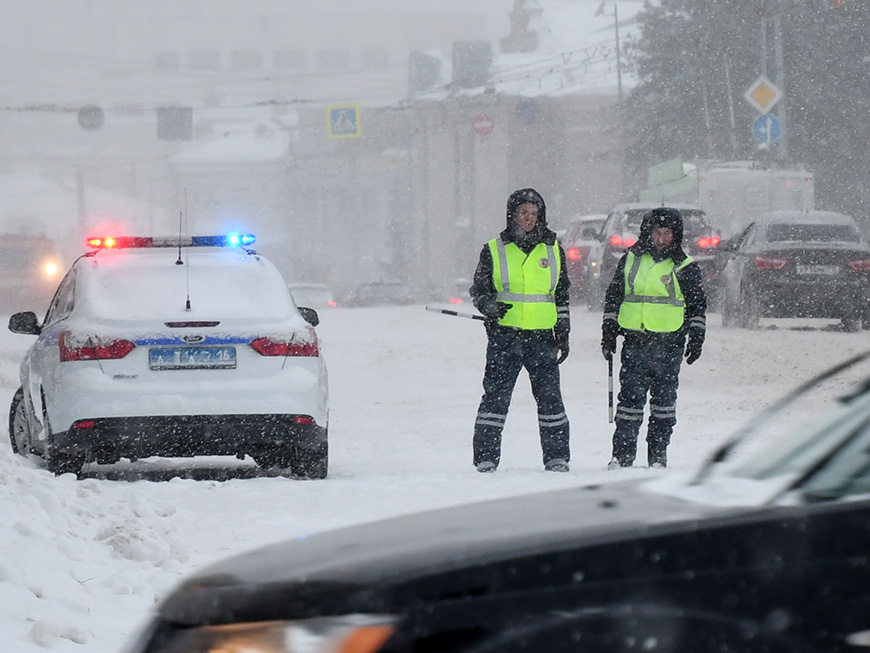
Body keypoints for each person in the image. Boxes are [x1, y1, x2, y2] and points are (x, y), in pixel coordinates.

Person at [470, 188, 571, 473]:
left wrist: (563, 330)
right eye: (523, 213)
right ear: (512, 214)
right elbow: (479, 290)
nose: (528, 219)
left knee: (551, 399)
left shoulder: (553, 249)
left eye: (534, 214)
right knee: (495, 398)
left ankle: (557, 457)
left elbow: (561, 295)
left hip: (542, 337)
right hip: (505, 336)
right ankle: (486, 458)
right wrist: (488, 306)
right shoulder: (494, 249)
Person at [600, 206, 706, 469]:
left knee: (664, 405)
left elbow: (697, 305)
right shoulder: (630, 260)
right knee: (629, 403)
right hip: (635, 341)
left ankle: (658, 454)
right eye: (657, 232)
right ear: (647, 232)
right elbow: (614, 296)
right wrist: (609, 330)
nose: (662, 238)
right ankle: (622, 455)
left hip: (670, 344)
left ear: (676, 235)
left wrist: (696, 337)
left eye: (667, 233)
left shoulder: (685, 266)